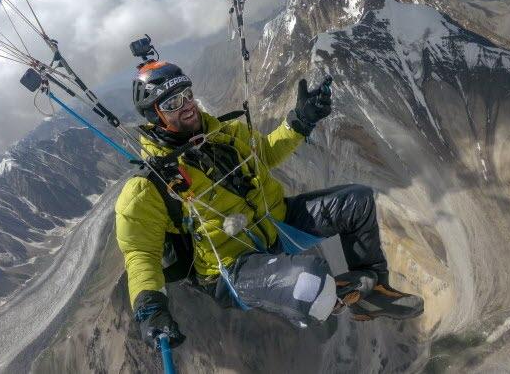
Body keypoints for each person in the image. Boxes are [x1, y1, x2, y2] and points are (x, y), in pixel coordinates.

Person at [115, 59, 424, 350]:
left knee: (357, 201)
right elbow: (141, 254)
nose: (187, 107)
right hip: (232, 269)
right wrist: (150, 310)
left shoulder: (226, 134)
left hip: (276, 224)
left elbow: (264, 154)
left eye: (187, 95)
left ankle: (374, 293)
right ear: (155, 116)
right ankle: (331, 298)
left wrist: (301, 121)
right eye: (172, 104)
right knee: (310, 283)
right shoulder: (148, 187)